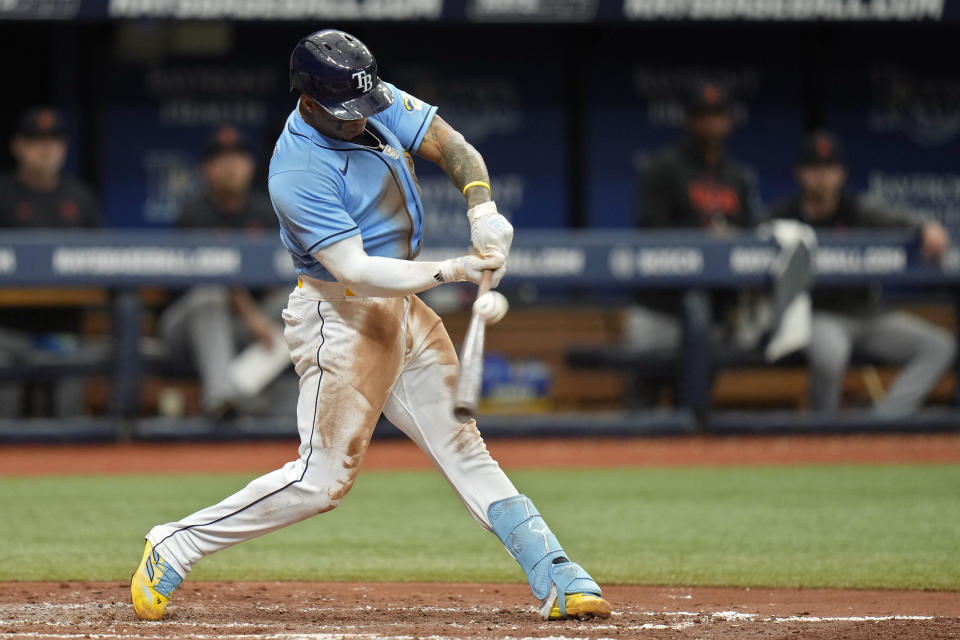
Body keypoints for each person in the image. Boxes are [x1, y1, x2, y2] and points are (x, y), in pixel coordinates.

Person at [131, 29, 611, 623]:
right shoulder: (296, 171)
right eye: (345, 113)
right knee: (320, 481)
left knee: (462, 444)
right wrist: (455, 268)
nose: (362, 120)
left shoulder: (364, 94)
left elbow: (448, 142)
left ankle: (556, 571)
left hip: (402, 305)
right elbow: (356, 271)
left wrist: (482, 206)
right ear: (308, 102)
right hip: (342, 316)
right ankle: (175, 542)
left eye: (366, 106)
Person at [770, 131, 955, 415]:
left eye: (830, 168)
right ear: (800, 173)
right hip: (820, 315)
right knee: (830, 355)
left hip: (869, 315)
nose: (822, 176)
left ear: (842, 173)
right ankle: (823, 429)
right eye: (814, 168)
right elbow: (749, 240)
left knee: (940, 346)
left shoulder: (857, 209)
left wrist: (926, 226)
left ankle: (883, 422)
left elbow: (900, 218)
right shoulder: (786, 215)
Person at [625, 82, 763, 406]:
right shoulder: (663, 167)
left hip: (715, 312)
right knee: (643, 398)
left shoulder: (738, 175)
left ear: (729, 120)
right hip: (660, 307)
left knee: (696, 404)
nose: (712, 124)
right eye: (703, 116)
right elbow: (649, 230)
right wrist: (703, 238)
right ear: (690, 120)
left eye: (719, 116)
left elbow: (750, 233)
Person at [159, 126, 294, 418]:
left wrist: (265, 313)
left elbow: (279, 271)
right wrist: (252, 316)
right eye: (221, 159)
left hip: (246, 327)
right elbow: (213, 277)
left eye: (239, 158)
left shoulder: (264, 211)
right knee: (210, 296)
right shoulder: (194, 214)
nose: (232, 167)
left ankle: (240, 387)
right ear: (206, 169)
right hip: (189, 326)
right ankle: (218, 400)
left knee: (305, 297)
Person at [0, 107, 99, 417]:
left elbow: (104, 260)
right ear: (17, 145)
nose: (45, 148)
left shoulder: (80, 197)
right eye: (35, 139)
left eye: (53, 139)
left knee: (68, 410)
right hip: (7, 329)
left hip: (63, 329)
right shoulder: (3, 195)